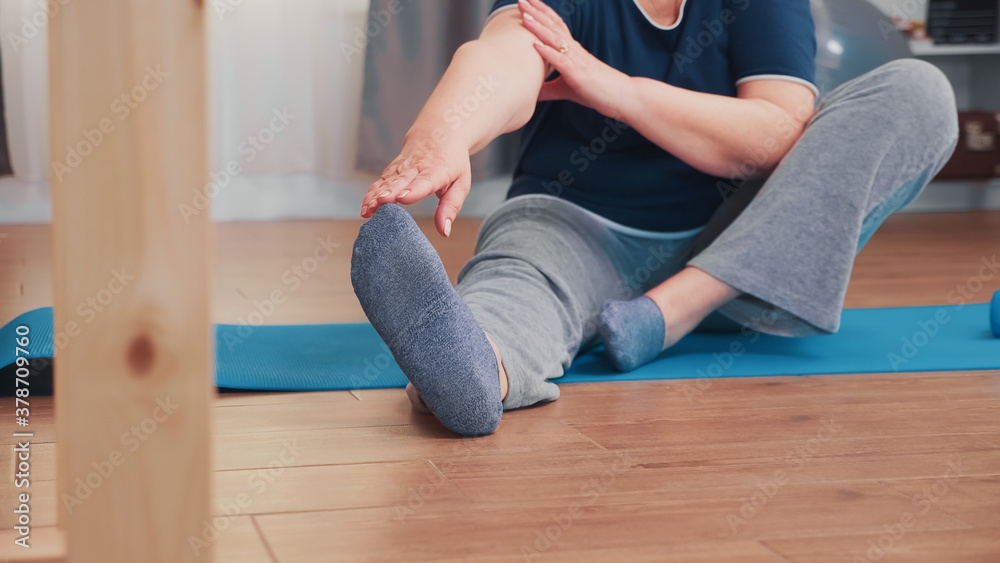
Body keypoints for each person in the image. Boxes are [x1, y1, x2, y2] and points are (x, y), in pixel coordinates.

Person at [350, 0, 958, 436]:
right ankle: (476, 367)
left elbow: (772, 135)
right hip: (571, 225)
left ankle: (674, 310)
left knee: (919, 91)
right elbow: (502, 55)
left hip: (741, 244)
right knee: (509, 301)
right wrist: (441, 138)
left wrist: (615, 89)